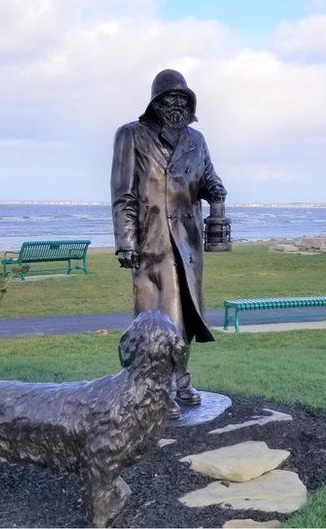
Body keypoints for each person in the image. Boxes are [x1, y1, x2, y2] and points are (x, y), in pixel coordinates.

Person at [110, 69, 227, 418]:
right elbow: (123, 194)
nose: (177, 104)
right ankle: (155, 387)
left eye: (183, 99)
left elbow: (208, 178)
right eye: (170, 98)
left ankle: (181, 382)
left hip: (189, 245)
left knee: (187, 318)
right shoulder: (132, 135)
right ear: (156, 103)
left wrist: (217, 192)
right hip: (152, 243)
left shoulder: (197, 140)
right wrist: (125, 242)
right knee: (156, 319)